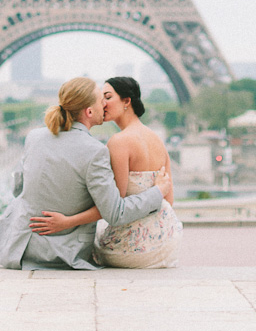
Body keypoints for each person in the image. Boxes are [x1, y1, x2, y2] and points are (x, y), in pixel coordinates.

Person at [0, 76, 170, 270]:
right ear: (89, 112)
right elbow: (115, 213)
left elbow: (18, 187)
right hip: (62, 253)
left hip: (17, 246)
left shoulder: (34, 137)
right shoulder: (95, 152)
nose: (104, 105)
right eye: (100, 101)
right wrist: (157, 191)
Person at [29, 76, 183, 268]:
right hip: (166, 244)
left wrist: (67, 222)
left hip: (130, 248)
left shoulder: (118, 142)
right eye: (101, 98)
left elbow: (112, 209)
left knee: (88, 240)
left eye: (107, 97)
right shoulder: (157, 140)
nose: (103, 103)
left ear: (127, 101)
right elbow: (168, 201)